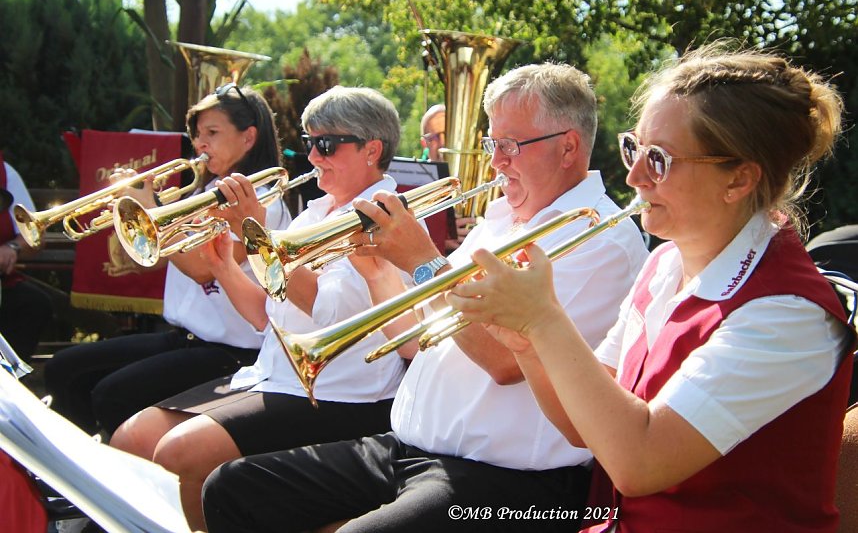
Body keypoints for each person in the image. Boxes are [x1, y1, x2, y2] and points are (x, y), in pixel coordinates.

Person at [202, 62, 650, 533]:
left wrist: (423, 261)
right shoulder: (501, 219)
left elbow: (503, 363)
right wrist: (380, 274)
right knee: (233, 488)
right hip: (410, 450)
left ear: (568, 148)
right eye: (491, 144)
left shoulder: (600, 238)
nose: (496, 161)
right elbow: (418, 344)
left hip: (510, 481)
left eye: (510, 146)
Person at [444, 44, 856, 531]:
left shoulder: (786, 313)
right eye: (634, 148)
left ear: (739, 179)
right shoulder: (664, 262)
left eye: (659, 159)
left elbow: (639, 461)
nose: (634, 176)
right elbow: (583, 428)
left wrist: (541, 319)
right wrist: (528, 346)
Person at [108, 86, 411, 531]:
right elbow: (262, 317)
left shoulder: (388, 219)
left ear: (373, 150)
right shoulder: (315, 213)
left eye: (326, 145)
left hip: (341, 395)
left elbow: (330, 314)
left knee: (178, 454)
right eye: (307, 143)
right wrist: (222, 266)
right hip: (274, 376)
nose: (312, 157)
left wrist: (257, 235)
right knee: (131, 438)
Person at [43, 84, 292, 435]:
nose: (200, 143)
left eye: (212, 133)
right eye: (197, 134)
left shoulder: (261, 199)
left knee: (112, 394)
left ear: (248, 138)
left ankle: (120, 474)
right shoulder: (205, 191)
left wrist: (151, 210)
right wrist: (132, 217)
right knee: (64, 369)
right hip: (184, 338)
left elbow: (203, 270)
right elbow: (157, 260)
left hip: (229, 351)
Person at [0, 153, 53, 363]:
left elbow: (35, 236)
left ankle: (8, 384)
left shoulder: (5, 173)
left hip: (2, 285)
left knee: (35, 305)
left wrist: (12, 247)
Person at [419, 103, 476, 253]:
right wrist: (438, 236)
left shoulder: (478, 177)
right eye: (435, 137)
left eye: (449, 135)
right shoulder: (414, 185)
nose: (444, 143)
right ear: (424, 143)